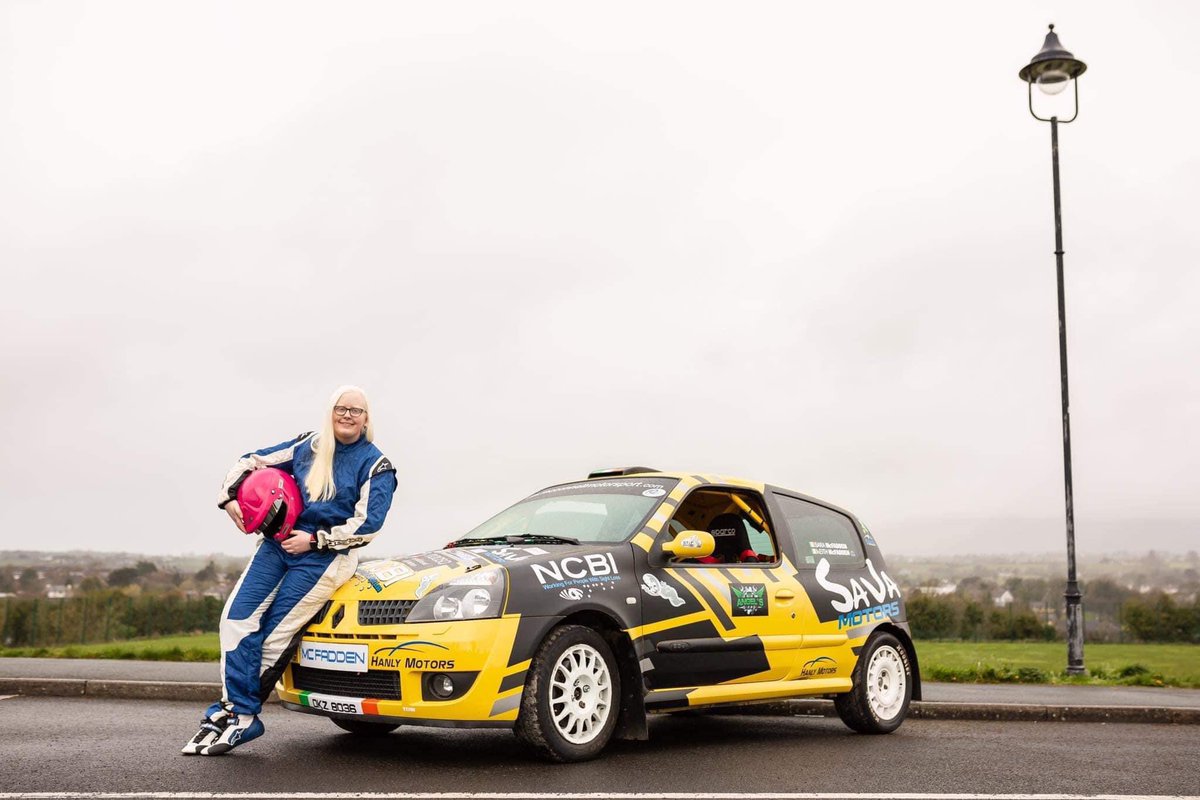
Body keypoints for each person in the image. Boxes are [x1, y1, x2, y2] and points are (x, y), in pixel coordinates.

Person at [181, 385, 397, 756]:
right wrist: (228, 496)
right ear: (330, 412)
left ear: (367, 418)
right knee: (235, 621)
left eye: (356, 411)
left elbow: (368, 525)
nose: (347, 415)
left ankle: (241, 716)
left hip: (325, 558)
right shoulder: (306, 445)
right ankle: (233, 709)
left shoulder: (377, 465)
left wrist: (315, 541)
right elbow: (251, 460)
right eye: (341, 409)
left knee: (271, 638)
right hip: (277, 546)